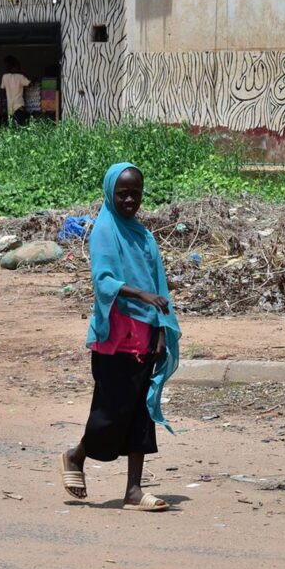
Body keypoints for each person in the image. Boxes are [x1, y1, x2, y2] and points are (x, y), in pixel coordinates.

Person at [59, 163, 181, 511]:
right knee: (110, 414)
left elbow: (159, 286)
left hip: (144, 339)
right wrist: (141, 297)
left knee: (141, 414)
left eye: (135, 194)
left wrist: (159, 332)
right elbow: (104, 280)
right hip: (113, 340)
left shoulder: (143, 236)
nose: (129, 200)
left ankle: (134, 490)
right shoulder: (104, 231)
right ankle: (75, 455)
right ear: (110, 193)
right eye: (122, 193)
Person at [0, 56, 32, 125]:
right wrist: (33, 79)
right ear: (15, 66)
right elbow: (30, 84)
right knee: (21, 126)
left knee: (12, 127)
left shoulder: (5, 77)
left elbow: (2, 92)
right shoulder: (20, 77)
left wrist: (2, 106)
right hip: (19, 106)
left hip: (10, 108)